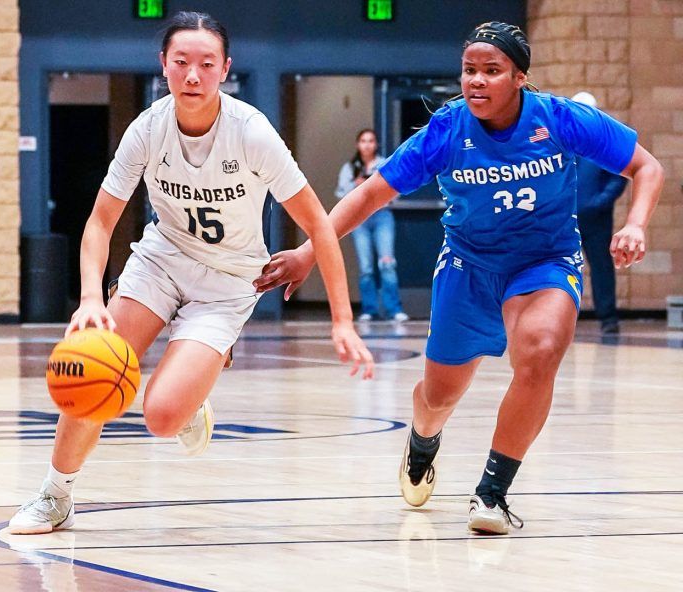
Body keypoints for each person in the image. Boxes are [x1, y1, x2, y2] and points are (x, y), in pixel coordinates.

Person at [255, 21, 663, 534]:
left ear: (519, 77)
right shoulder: (447, 130)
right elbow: (371, 194)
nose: (476, 80)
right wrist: (310, 251)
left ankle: (492, 493)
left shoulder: (561, 119)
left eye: (491, 71)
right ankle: (423, 440)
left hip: (544, 262)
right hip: (469, 266)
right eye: (469, 70)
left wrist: (635, 224)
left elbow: (647, 168)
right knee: (439, 395)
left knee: (540, 352)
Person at [8, 11, 374, 535]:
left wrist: (342, 318)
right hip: (160, 261)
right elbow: (99, 223)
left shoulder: (251, 133)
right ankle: (55, 494)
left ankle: (196, 383)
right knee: (95, 361)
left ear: (225, 68)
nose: (193, 75)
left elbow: (317, 223)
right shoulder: (148, 128)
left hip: (228, 283)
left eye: (206, 63)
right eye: (181, 62)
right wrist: (91, 297)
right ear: (164, 66)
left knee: (160, 417)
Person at [335, 129, 409, 322]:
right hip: (358, 219)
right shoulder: (350, 168)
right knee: (366, 266)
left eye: (371, 141)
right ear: (357, 144)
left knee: (387, 263)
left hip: (382, 215)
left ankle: (394, 309)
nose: (367, 144)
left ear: (376, 144)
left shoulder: (384, 164)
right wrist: (357, 185)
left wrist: (375, 187)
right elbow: (341, 195)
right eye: (363, 141)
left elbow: (396, 191)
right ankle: (369, 309)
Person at [572, 91, 628, 335]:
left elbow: (618, 178)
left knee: (601, 266)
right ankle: (565, 318)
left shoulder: (605, 142)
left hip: (597, 220)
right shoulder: (564, 141)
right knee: (563, 269)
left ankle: (608, 317)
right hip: (565, 219)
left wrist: (600, 202)